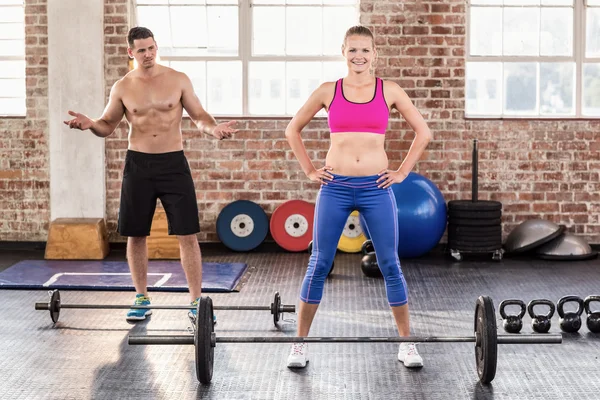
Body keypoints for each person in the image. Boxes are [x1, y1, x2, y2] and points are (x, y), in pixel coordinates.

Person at [63, 26, 237, 322]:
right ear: (130, 52)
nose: (147, 54)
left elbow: (199, 116)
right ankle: (142, 297)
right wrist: (90, 123)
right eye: (141, 50)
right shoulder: (122, 87)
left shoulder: (177, 80)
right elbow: (107, 124)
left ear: (157, 47)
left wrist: (214, 129)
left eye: (151, 48)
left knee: (187, 233)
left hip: (173, 164)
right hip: (139, 165)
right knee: (136, 233)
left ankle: (196, 302)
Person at [284, 25, 432, 368]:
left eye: (365, 50)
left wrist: (402, 172)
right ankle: (299, 345)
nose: (359, 56)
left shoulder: (389, 90)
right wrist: (309, 170)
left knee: (390, 264)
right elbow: (292, 129)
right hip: (334, 187)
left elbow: (423, 132)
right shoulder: (328, 91)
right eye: (353, 50)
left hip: (375, 188)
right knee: (319, 262)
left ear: (375, 53)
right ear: (343, 52)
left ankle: (406, 345)